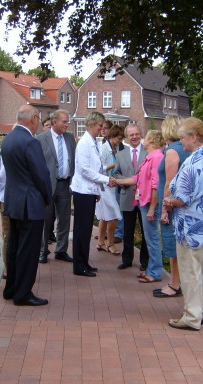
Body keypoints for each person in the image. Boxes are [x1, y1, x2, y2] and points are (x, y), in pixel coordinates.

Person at [163, 117, 203, 330]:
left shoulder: (193, 162)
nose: (181, 143)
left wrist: (169, 201)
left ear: (194, 137)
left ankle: (191, 317)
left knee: (190, 272)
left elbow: (183, 198)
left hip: (192, 228)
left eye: (182, 138)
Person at [1, 104, 52, 306]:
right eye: (38, 119)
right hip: (30, 204)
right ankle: (23, 294)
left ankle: (11, 289)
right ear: (33, 118)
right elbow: (41, 175)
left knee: (14, 247)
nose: (38, 123)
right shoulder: (30, 142)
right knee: (28, 251)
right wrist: (48, 197)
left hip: (13, 201)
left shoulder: (9, 139)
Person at [112, 130, 164, 283]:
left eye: (145, 137)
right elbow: (137, 178)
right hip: (139, 201)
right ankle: (151, 270)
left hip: (148, 204)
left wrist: (153, 208)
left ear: (151, 141)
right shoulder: (151, 157)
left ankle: (153, 271)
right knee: (149, 238)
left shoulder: (156, 157)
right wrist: (117, 181)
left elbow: (155, 185)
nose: (142, 140)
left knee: (152, 239)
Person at [70, 111, 115, 277]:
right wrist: (105, 179)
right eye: (99, 126)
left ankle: (84, 262)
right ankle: (79, 266)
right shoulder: (84, 144)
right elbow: (84, 170)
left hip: (89, 191)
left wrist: (102, 181)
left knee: (87, 229)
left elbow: (96, 166)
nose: (101, 128)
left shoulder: (93, 142)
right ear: (91, 125)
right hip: (82, 192)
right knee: (81, 230)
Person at [154, 115, 190, 298]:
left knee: (172, 244)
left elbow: (169, 182)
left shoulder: (172, 151)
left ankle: (174, 284)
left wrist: (163, 210)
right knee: (179, 245)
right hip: (182, 206)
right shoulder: (187, 150)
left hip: (172, 207)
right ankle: (179, 282)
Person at [36, 109, 76, 264]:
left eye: (68, 121)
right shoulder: (40, 139)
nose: (67, 124)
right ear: (54, 122)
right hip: (47, 186)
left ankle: (61, 250)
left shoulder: (70, 138)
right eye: (64, 122)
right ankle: (42, 251)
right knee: (45, 220)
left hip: (65, 184)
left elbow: (74, 160)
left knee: (65, 220)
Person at [112, 124, 149, 271]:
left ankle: (145, 261)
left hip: (144, 198)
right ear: (127, 137)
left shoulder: (148, 152)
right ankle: (127, 259)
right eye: (131, 135)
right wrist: (126, 181)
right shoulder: (121, 154)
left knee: (146, 230)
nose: (134, 137)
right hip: (127, 196)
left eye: (136, 134)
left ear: (140, 134)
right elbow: (115, 174)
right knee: (128, 231)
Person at [96, 124, 125, 254]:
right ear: (112, 136)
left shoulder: (116, 148)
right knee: (113, 215)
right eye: (118, 138)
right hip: (104, 186)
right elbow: (99, 168)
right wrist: (116, 163)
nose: (120, 141)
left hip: (112, 186)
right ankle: (110, 243)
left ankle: (101, 242)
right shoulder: (104, 149)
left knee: (104, 216)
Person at [41, 116, 57, 243]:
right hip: (45, 181)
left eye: (51, 125)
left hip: (56, 182)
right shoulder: (39, 140)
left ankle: (51, 233)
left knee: (54, 213)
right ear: (43, 127)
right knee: (46, 212)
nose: (49, 128)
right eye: (47, 125)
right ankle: (44, 237)